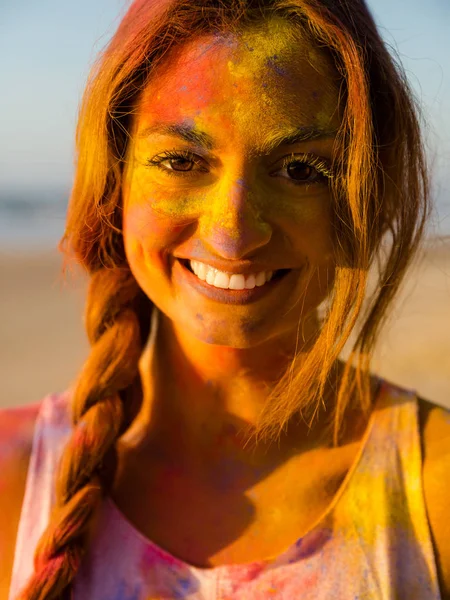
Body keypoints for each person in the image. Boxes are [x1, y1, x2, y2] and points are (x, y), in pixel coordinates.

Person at [1, 0, 449, 598]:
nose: (233, 234)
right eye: (181, 161)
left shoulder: (434, 486)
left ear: (362, 206)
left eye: (300, 169)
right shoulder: (13, 476)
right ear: (115, 181)